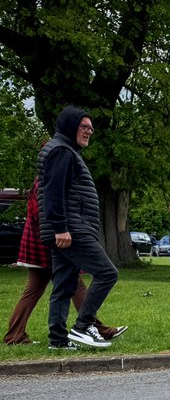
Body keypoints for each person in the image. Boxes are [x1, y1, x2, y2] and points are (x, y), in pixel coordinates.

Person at [4, 177, 125, 345]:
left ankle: (15, 335)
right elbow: (42, 212)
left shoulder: (45, 178)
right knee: (72, 285)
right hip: (48, 242)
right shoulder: (48, 179)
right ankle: (91, 328)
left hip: (42, 241)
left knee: (38, 290)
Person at [38, 105, 119, 349]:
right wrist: (61, 228)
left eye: (91, 128)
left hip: (68, 228)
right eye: (84, 127)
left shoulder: (63, 151)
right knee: (107, 273)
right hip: (71, 229)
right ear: (70, 126)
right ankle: (82, 327)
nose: (89, 132)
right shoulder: (61, 152)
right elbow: (53, 193)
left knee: (63, 285)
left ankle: (58, 340)